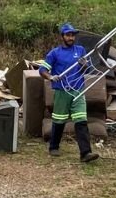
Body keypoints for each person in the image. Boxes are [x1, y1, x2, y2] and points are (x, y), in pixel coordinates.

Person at [39, 23, 99, 163]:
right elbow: (42, 70)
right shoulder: (55, 53)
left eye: (73, 35)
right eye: (68, 35)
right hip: (62, 90)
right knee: (59, 121)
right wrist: (51, 77)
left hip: (78, 90)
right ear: (62, 36)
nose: (71, 37)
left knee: (81, 121)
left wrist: (85, 66)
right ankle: (54, 146)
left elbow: (87, 70)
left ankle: (85, 153)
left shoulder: (81, 50)